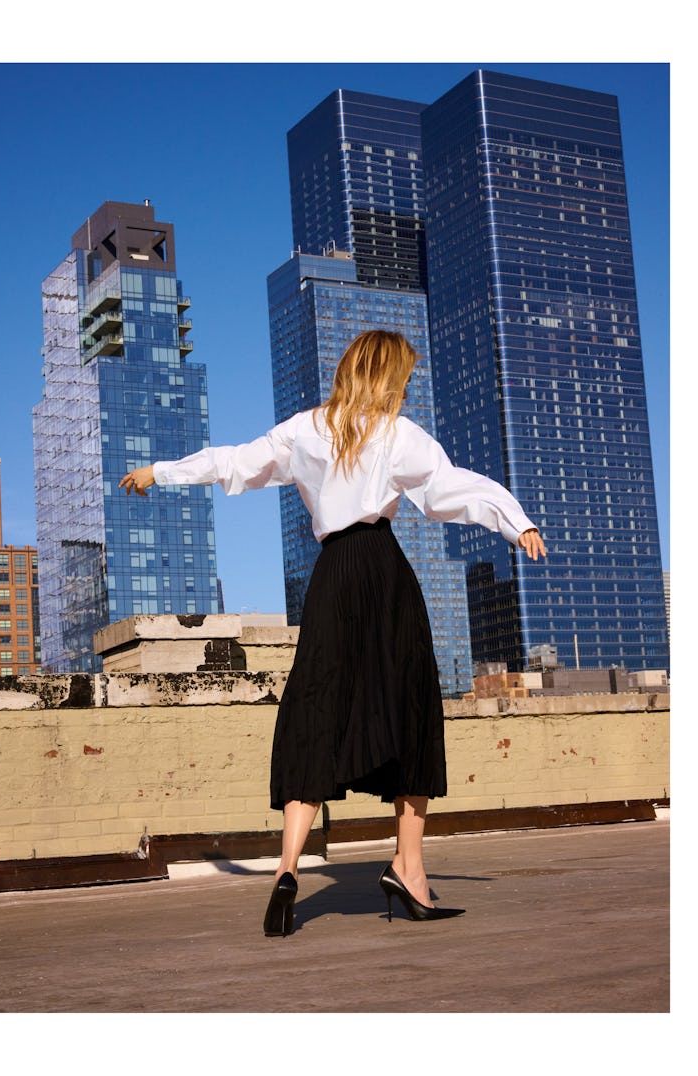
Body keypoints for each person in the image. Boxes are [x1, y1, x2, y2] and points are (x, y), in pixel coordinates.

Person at [119, 329, 546, 936]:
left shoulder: (304, 430)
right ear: (388, 376)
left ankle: (287, 868)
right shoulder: (398, 435)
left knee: (316, 706)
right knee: (408, 707)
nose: (406, 387)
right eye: (404, 377)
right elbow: (454, 489)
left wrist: (159, 472)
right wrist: (517, 523)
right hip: (382, 572)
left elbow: (234, 463)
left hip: (331, 579)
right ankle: (409, 867)